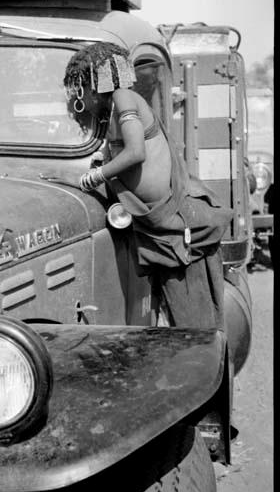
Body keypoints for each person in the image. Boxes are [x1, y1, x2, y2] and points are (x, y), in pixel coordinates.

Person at [64, 41, 234, 333]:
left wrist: (97, 176)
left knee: (194, 326)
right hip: (152, 225)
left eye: (79, 88)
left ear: (94, 85)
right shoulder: (115, 107)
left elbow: (135, 153)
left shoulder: (123, 98)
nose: (78, 97)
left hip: (171, 223)